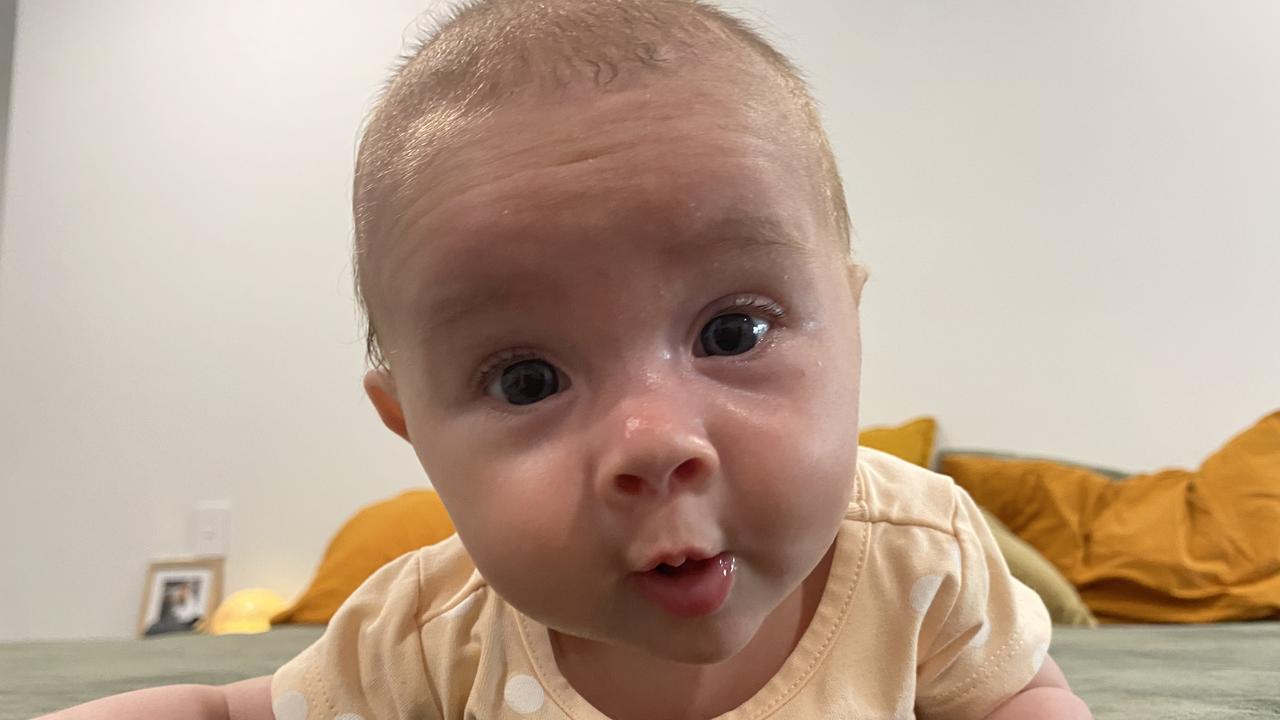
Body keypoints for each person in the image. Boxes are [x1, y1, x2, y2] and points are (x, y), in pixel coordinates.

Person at [43, 0, 1092, 717]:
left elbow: (1015, 692)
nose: (653, 443)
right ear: (410, 428)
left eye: (731, 333)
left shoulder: (919, 555)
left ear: (849, 325)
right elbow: (227, 711)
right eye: (526, 380)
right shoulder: (426, 636)